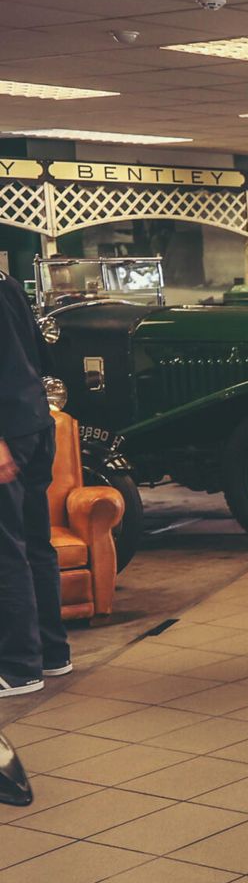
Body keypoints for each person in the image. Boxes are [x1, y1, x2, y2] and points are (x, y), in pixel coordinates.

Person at [0, 267, 69, 694]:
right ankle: (52, 653)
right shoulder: (5, 281)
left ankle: (18, 667)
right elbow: (41, 357)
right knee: (36, 544)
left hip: (8, 432)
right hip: (36, 423)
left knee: (7, 551)